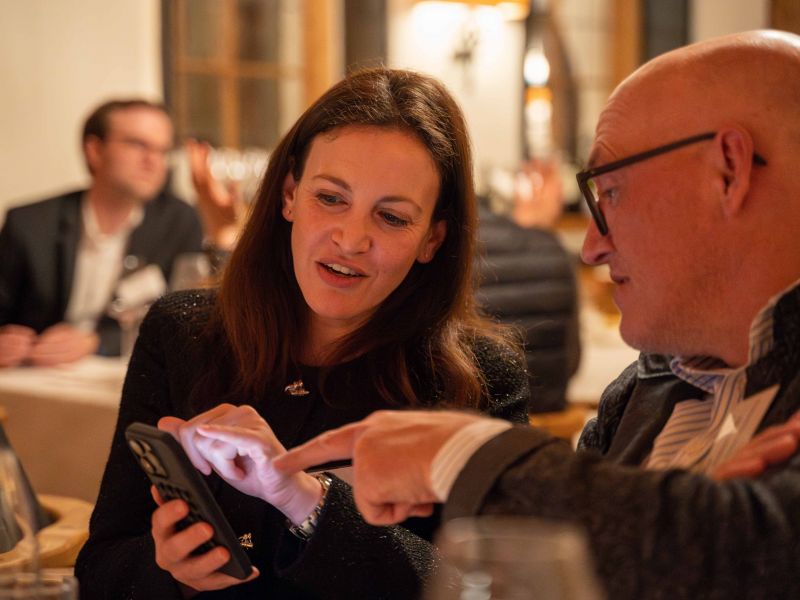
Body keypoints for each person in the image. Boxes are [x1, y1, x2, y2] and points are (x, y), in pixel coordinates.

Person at [274, 30, 800, 599]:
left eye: (609, 192)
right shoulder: (644, 392)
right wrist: (679, 532)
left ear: (728, 170)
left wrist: (462, 454)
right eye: (331, 198)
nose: (591, 247)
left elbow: (763, 553)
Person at [74, 68, 530, 599]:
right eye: (331, 198)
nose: (351, 239)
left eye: (391, 218)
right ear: (289, 195)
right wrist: (170, 574)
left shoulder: (480, 376)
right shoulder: (183, 331)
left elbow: (494, 589)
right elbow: (100, 566)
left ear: (432, 239)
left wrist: (305, 500)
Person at [0, 99, 233, 364]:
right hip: (33, 374)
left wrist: (96, 341)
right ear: (95, 151)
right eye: (138, 145)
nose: (153, 161)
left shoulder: (178, 220)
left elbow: (194, 317)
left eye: (163, 150)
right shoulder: (30, 223)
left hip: (123, 372)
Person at [476, 200, 580, 413]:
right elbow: (573, 360)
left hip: (478, 414)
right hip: (548, 409)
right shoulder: (550, 244)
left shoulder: (442, 249)